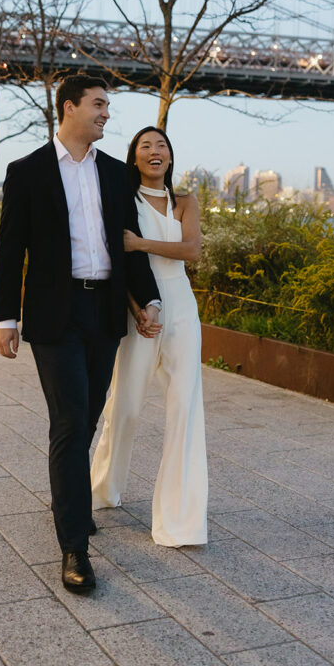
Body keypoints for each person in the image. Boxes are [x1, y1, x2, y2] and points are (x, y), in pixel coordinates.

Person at [0, 75, 161, 593]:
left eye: (108, 105)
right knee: (68, 421)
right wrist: (5, 318)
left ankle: (69, 500)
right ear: (68, 107)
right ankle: (74, 548)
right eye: (99, 104)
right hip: (53, 313)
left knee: (87, 417)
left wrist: (148, 298)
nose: (107, 113)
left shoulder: (115, 174)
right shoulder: (26, 172)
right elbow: (10, 249)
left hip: (104, 310)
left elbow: (125, 246)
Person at [91, 126, 208, 546]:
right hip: (139, 305)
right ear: (134, 158)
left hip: (181, 306)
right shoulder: (125, 198)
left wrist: (140, 243)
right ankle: (103, 487)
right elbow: (116, 259)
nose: (154, 151)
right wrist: (137, 307)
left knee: (185, 409)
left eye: (161, 145)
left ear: (171, 157)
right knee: (125, 406)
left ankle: (180, 521)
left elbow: (192, 250)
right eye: (145, 146)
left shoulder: (186, 202)